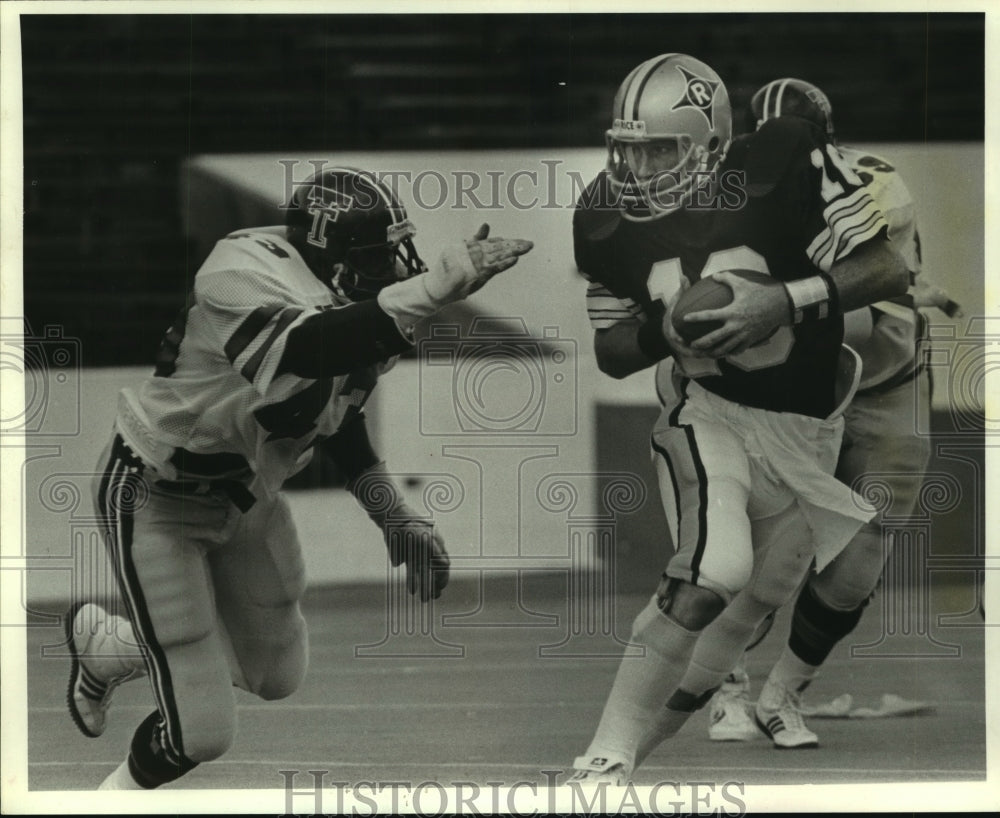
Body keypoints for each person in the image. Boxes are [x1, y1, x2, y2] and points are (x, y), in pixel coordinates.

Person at [63, 167, 533, 790]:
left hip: (245, 495)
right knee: (201, 732)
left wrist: (392, 513)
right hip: (157, 493)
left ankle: (112, 648)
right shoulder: (238, 268)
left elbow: (338, 416)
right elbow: (307, 349)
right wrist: (430, 291)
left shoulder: (365, 310)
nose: (394, 265)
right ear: (330, 257)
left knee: (277, 673)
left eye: (394, 248)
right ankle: (105, 802)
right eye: (373, 254)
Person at [568, 53, 909, 784]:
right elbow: (610, 349)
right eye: (627, 147)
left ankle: (629, 755)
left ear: (714, 142)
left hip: (811, 430)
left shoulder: (785, 164)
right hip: (709, 411)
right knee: (712, 572)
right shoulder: (604, 216)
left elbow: (886, 269)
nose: (636, 166)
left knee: (751, 604)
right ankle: (603, 757)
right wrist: (670, 329)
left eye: (660, 146)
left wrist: (781, 301)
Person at [702, 77, 964, 748]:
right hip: (793, 391)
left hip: (881, 377)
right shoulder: (725, 190)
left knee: (869, 539)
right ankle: (724, 687)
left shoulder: (874, 186)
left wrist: (777, 302)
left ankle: (782, 693)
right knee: (758, 551)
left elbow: (860, 310)